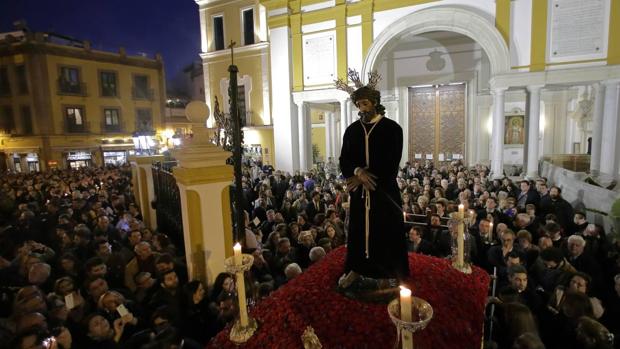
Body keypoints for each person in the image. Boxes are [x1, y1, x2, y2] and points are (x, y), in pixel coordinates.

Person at [336, 70, 409, 287]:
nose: (362, 109)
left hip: (384, 191)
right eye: (358, 105)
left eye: (365, 104)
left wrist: (366, 177)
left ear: (375, 103)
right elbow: (344, 159)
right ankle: (356, 269)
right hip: (360, 195)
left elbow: (391, 162)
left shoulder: (392, 129)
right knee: (358, 232)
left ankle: (389, 272)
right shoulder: (351, 131)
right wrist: (358, 173)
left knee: (385, 231)